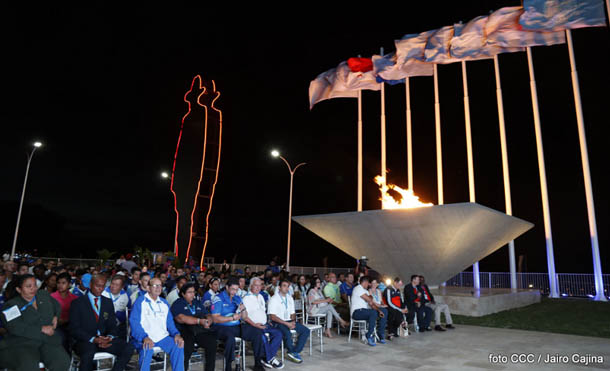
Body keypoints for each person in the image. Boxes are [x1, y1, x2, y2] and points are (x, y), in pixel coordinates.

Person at [0, 274, 71, 370]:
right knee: (29, 366)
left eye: (34, 285)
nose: (33, 289)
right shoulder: (11, 306)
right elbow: (15, 327)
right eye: (28, 286)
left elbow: (57, 306)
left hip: (48, 340)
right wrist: (41, 329)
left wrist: (56, 316)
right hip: (23, 343)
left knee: (62, 362)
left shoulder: (43, 295)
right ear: (19, 289)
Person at [70, 275, 134, 371]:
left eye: (103, 286)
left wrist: (109, 337)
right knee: (88, 354)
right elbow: (74, 329)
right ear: (90, 284)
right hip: (86, 341)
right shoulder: (77, 303)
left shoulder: (107, 302)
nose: (100, 289)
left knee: (128, 347)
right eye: (97, 286)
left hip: (104, 341)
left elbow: (112, 325)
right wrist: (93, 339)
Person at [130, 277, 184, 371]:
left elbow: (170, 322)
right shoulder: (140, 302)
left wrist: (176, 334)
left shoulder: (164, 302)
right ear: (148, 288)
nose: (158, 288)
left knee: (178, 345)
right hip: (144, 337)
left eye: (160, 285)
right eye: (155, 285)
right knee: (147, 348)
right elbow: (134, 322)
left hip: (162, 337)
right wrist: (144, 337)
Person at [211, 277, 265, 371]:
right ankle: (228, 366)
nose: (234, 292)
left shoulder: (237, 298)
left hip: (235, 326)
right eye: (232, 289)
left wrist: (243, 309)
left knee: (256, 332)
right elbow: (215, 319)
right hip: (221, 327)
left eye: (236, 289)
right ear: (227, 287)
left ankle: (258, 363)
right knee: (230, 337)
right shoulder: (218, 298)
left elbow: (244, 317)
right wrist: (231, 318)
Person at [171, 282, 217, 371]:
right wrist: (199, 321)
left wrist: (208, 322)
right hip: (184, 329)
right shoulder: (178, 303)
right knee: (186, 347)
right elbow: (181, 318)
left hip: (199, 329)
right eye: (189, 292)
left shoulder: (197, 302)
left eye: (194, 292)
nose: (193, 294)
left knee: (212, 343)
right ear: (183, 294)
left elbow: (208, 315)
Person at [241, 277, 284, 369]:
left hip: (265, 324)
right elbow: (244, 317)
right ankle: (270, 359)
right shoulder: (246, 298)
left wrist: (268, 320)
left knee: (278, 334)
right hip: (253, 326)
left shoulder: (260, 296)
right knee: (262, 338)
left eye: (259, 285)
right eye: (255, 285)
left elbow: (262, 311)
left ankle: (266, 357)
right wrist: (254, 324)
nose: (257, 287)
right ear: (251, 286)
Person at [268, 279, 309, 364]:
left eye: (288, 286)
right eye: (284, 286)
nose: (287, 288)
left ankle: (295, 351)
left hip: (289, 321)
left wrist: (293, 322)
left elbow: (293, 313)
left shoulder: (289, 298)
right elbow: (273, 317)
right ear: (279, 287)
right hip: (278, 322)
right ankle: (291, 351)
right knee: (287, 333)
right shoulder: (274, 299)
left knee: (305, 330)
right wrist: (287, 324)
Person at [350, 276, 387, 346]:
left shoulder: (366, 291)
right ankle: (369, 335)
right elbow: (369, 299)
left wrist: (379, 311)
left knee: (383, 311)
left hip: (365, 311)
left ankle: (380, 333)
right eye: (368, 283)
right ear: (365, 282)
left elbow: (371, 303)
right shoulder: (358, 288)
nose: (369, 285)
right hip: (357, 312)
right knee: (372, 313)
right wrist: (370, 298)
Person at [51, 272, 78, 350]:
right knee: (62, 339)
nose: (60, 285)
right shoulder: (51, 297)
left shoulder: (74, 298)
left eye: (63, 283)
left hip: (71, 325)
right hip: (56, 326)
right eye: (58, 283)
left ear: (69, 284)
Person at [102, 274, 132, 339]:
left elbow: (129, 312)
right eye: (112, 284)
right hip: (103, 326)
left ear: (122, 287)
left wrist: (121, 315)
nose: (113, 286)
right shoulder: (103, 293)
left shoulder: (126, 296)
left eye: (117, 285)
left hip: (119, 326)